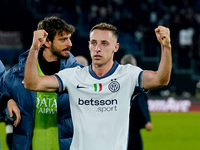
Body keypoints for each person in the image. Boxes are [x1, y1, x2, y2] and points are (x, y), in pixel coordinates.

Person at [24, 23, 172, 150]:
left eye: (104, 43)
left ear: (116, 47)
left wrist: (166, 47)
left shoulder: (128, 75)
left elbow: (161, 79)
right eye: (94, 42)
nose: (97, 48)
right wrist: (34, 48)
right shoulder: (73, 76)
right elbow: (32, 83)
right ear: (88, 45)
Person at [0, 16, 83, 150]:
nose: (70, 43)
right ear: (47, 42)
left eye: (69, 38)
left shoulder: (79, 75)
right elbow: (1, 89)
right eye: (63, 39)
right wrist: (7, 101)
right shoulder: (18, 73)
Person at [120, 54, 153, 150]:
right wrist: (147, 120)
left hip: (119, 126)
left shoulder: (116, 80)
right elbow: (139, 103)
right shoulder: (135, 80)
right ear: (134, 65)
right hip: (132, 127)